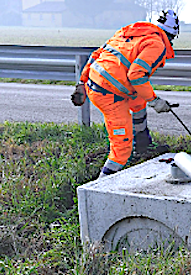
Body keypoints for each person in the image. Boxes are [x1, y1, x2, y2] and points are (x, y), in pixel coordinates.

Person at [72, 10, 179, 178]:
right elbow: (136, 76)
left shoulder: (129, 32)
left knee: (138, 100)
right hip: (109, 95)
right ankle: (101, 186)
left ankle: (143, 145)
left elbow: (96, 55)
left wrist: (81, 82)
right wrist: (155, 101)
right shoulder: (157, 44)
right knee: (122, 148)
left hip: (96, 83)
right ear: (171, 35)